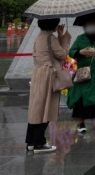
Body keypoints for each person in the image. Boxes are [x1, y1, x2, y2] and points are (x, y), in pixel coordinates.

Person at [26, 18, 71, 153]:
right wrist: (64, 37)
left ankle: (31, 141)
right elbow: (62, 54)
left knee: (37, 108)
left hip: (39, 73)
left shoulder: (39, 37)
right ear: (53, 25)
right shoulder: (50, 38)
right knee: (46, 108)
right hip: (49, 74)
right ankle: (39, 143)